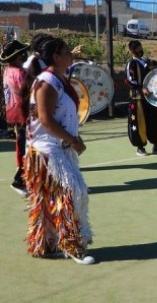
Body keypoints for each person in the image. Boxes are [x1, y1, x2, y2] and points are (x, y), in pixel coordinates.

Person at [25, 37, 94, 264]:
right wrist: (73, 140)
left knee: (51, 199)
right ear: (55, 56)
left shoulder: (58, 79)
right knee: (72, 194)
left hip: (57, 149)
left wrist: (71, 139)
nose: (70, 54)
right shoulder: (47, 82)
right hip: (47, 152)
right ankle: (72, 245)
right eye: (66, 51)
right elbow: (45, 119)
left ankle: (46, 244)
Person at [125, 40, 157, 156]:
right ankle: (140, 147)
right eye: (138, 48)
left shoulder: (146, 61)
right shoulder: (132, 63)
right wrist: (141, 89)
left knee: (155, 121)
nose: (140, 50)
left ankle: (156, 145)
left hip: (151, 97)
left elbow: (156, 66)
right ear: (132, 51)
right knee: (139, 122)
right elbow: (129, 80)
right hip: (138, 98)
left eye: (141, 47)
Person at [2, 40, 30, 196]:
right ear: (19, 55)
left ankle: (23, 174)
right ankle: (19, 180)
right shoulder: (20, 73)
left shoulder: (8, 70)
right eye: (23, 52)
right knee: (29, 147)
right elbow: (28, 93)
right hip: (23, 113)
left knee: (21, 144)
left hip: (12, 112)